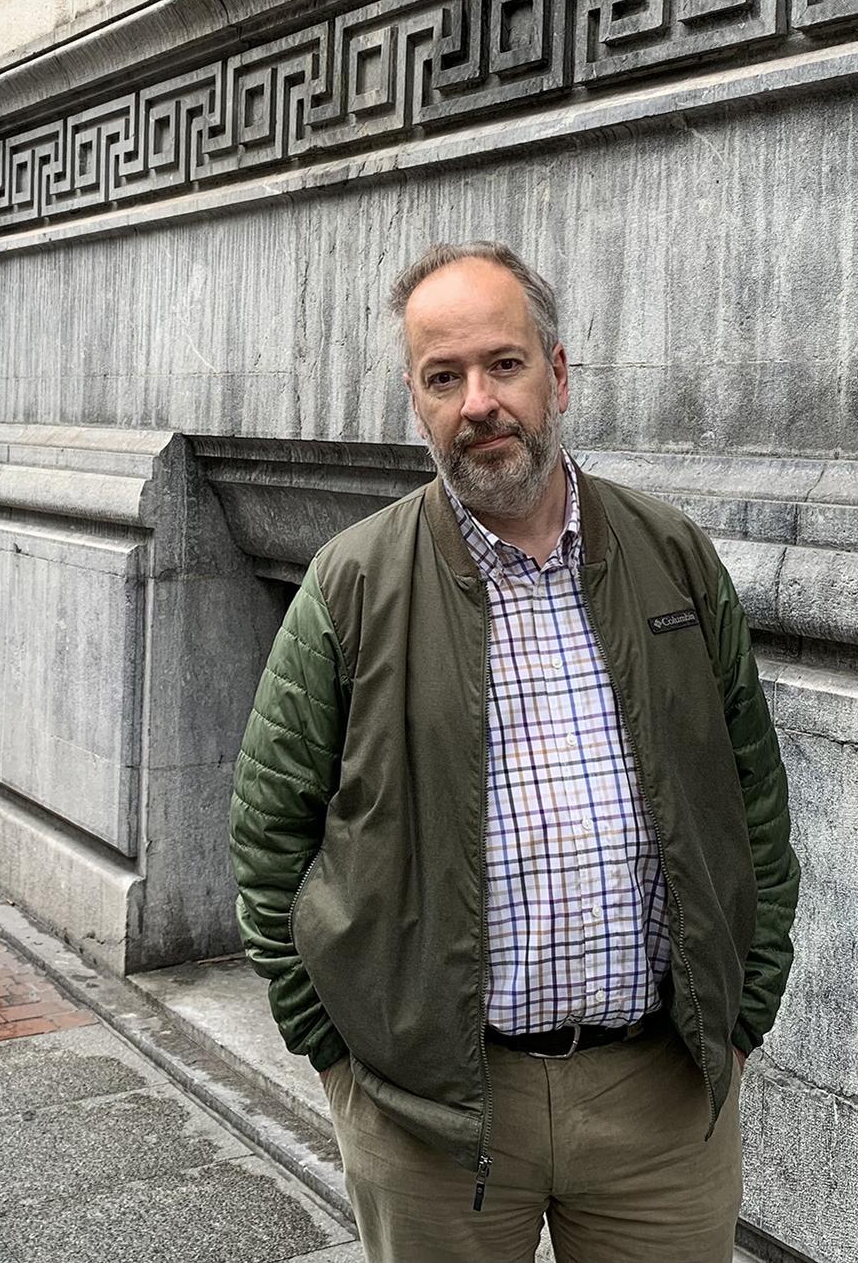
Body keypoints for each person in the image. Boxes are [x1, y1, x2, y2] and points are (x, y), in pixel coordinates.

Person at [230, 241, 800, 1263]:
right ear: (416, 403)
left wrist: (743, 1014)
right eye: (442, 377)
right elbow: (270, 836)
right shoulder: (350, 586)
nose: (479, 403)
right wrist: (335, 1055)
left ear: (557, 373)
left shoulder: (671, 556)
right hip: (431, 1116)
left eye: (503, 364)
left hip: (659, 1099)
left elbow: (753, 798)